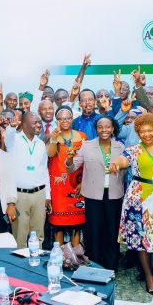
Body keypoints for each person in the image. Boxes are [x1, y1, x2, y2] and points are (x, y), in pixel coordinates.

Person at [110, 113, 153, 294]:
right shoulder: (134, 150)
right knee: (142, 238)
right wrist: (116, 163)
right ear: (138, 133)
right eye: (142, 132)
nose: (147, 134)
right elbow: (123, 160)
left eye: (150, 130)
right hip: (139, 199)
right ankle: (149, 277)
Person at [69, 116, 126, 270]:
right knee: (93, 231)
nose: (104, 130)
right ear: (96, 129)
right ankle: (94, 265)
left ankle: (111, 267)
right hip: (93, 196)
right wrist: (69, 159)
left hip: (114, 195)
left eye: (107, 127)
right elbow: (72, 168)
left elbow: (127, 167)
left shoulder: (121, 147)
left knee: (112, 231)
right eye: (100, 127)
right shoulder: (87, 146)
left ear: (113, 129)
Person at [4, 111, 51, 248]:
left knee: (39, 234)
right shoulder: (14, 140)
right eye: (35, 122)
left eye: (39, 122)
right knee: (20, 235)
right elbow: (8, 137)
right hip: (20, 195)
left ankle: (36, 260)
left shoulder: (40, 144)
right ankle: (20, 261)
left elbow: (44, 170)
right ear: (24, 125)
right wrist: (12, 127)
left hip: (39, 194)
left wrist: (47, 195)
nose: (39, 125)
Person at [46, 106, 87, 247]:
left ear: (72, 119)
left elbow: (87, 161)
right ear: (56, 120)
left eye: (68, 118)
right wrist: (53, 138)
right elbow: (50, 154)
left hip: (76, 184)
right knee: (59, 224)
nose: (65, 121)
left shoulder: (82, 136)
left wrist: (84, 182)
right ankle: (59, 255)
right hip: (58, 187)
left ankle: (76, 254)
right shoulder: (53, 136)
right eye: (61, 118)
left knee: (77, 224)